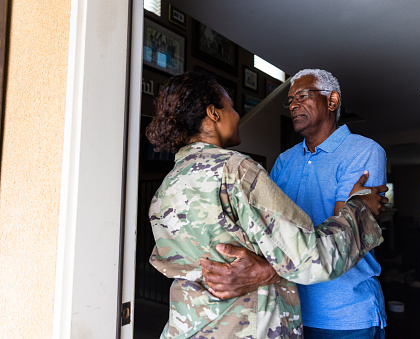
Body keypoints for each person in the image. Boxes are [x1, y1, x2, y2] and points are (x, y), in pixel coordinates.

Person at [145, 71, 388, 338]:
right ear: (213, 114)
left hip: (340, 313)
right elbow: (308, 253)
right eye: (290, 99)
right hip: (254, 321)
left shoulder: (168, 185)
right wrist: (361, 208)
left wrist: (261, 270)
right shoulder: (250, 167)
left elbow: (270, 240)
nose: (293, 105)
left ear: (332, 101)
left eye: (302, 96)